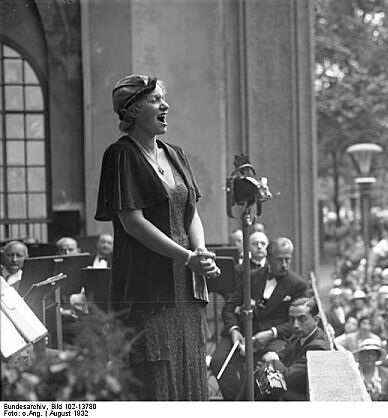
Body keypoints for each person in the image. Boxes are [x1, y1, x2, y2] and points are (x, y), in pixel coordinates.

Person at [95, 74, 219, 401]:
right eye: (155, 100)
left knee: (190, 363)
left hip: (186, 282)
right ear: (132, 111)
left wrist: (201, 252)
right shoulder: (120, 155)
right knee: (155, 371)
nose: (165, 105)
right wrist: (187, 257)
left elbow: (190, 212)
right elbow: (133, 223)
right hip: (147, 287)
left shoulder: (175, 153)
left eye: (163, 98)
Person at [209, 237, 307, 400]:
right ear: (268, 259)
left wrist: (271, 333)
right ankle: (239, 403)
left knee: (270, 367)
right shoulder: (251, 277)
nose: (284, 265)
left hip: (274, 338)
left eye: (287, 259)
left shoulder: (298, 284)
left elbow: (297, 323)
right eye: (279, 260)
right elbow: (229, 306)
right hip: (242, 334)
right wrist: (234, 331)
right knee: (218, 362)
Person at [259, 297, 328, 400]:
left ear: (316, 320)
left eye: (302, 319)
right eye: (292, 319)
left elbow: (288, 377)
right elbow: (283, 355)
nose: (295, 325)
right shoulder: (301, 334)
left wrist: (273, 360)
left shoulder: (317, 348)